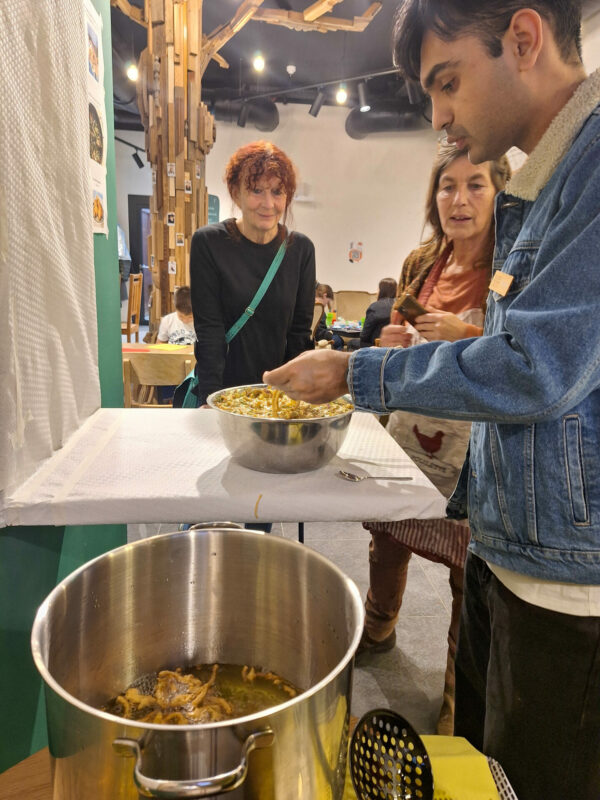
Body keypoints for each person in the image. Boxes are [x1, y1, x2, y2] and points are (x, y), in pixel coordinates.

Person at [264, 3, 600, 798]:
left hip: (566, 582)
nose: (440, 116)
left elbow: (534, 369)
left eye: (448, 82)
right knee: (484, 769)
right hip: (507, 548)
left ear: (523, 40)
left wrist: (356, 373)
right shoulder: (542, 186)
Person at [357, 145, 510, 739]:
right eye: (448, 186)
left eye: (475, 185)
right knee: (388, 541)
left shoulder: (510, 265)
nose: (459, 199)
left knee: (466, 573)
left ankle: (453, 692)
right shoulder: (423, 259)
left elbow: (518, 357)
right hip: (408, 429)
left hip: (472, 448)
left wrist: (465, 332)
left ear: (500, 193)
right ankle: (378, 626)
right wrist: (392, 341)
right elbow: (398, 335)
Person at [189, 140, 315, 407]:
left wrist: (299, 398)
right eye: (257, 190)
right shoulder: (209, 243)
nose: (268, 204)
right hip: (225, 393)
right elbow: (209, 330)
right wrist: (210, 398)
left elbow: (299, 335)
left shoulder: (301, 250)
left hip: (277, 397)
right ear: (236, 193)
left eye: (278, 192)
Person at [358, 277, 397, 347]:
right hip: (396, 346)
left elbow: (364, 336)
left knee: (352, 343)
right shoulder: (400, 305)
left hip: (374, 346)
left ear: (382, 291)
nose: (377, 292)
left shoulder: (375, 307)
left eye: (378, 289)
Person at [314, 283, 344, 349]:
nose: (325, 305)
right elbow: (318, 331)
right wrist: (330, 333)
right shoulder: (318, 308)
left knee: (338, 338)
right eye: (327, 302)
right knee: (339, 341)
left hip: (319, 335)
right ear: (325, 295)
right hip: (319, 338)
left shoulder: (313, 304)